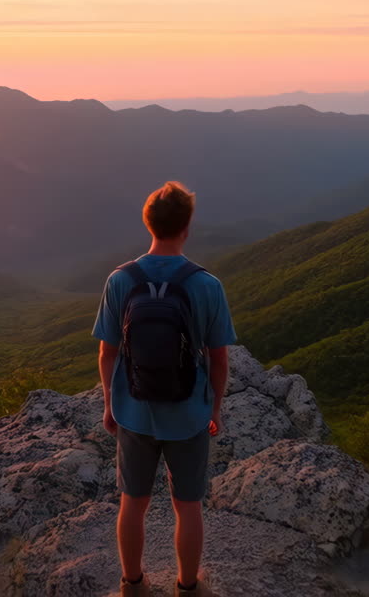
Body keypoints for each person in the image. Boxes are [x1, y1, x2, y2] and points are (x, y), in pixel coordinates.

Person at [92, 181, 236, 597]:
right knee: (187, 506)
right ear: (187, 227)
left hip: (133, 412)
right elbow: (219, 359)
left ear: (147, 223)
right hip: (189, 413)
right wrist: (214, 410)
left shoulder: (120, 280)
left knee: (132, 503)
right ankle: (188, 587)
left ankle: (133, 585)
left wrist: (109, 404)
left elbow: (107, 353)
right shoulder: (207, 285)